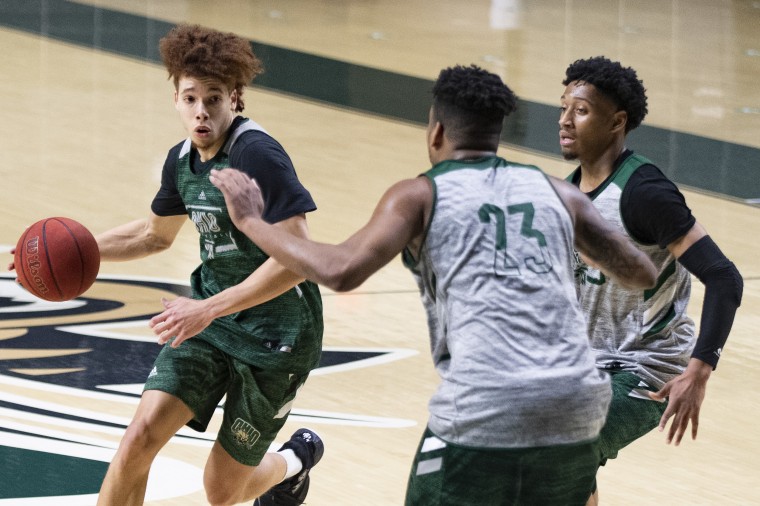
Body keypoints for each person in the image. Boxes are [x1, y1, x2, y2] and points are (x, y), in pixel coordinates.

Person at [209, 64, 658, 506]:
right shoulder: (557, 192)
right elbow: (641, 272)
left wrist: (251, 220)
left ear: (437, 131)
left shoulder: (420, 194)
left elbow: (341, 270)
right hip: (574, 406)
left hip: (486, 407)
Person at [91, 24, 325, 506]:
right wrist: (78, 251)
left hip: (277, 334)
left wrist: (208, 309)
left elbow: (299, 257)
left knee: (222, 491)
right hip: (209, 322)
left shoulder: (256, 154)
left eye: (213, 98)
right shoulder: (181, 160)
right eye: (190, 98)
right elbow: (153, 235)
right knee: (138, 441)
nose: (201, 111)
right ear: (175, 97)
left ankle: (294, 463)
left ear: (234, 99)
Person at [558, 56, 744, 505]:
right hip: (584, 364)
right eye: (562, 107)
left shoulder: (645, 193)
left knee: (561, 449)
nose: (564, 120)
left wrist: (699, 371)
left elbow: (723, 277)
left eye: (580, 110)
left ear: (616, 121)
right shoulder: (567, 191)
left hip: (646, 366)